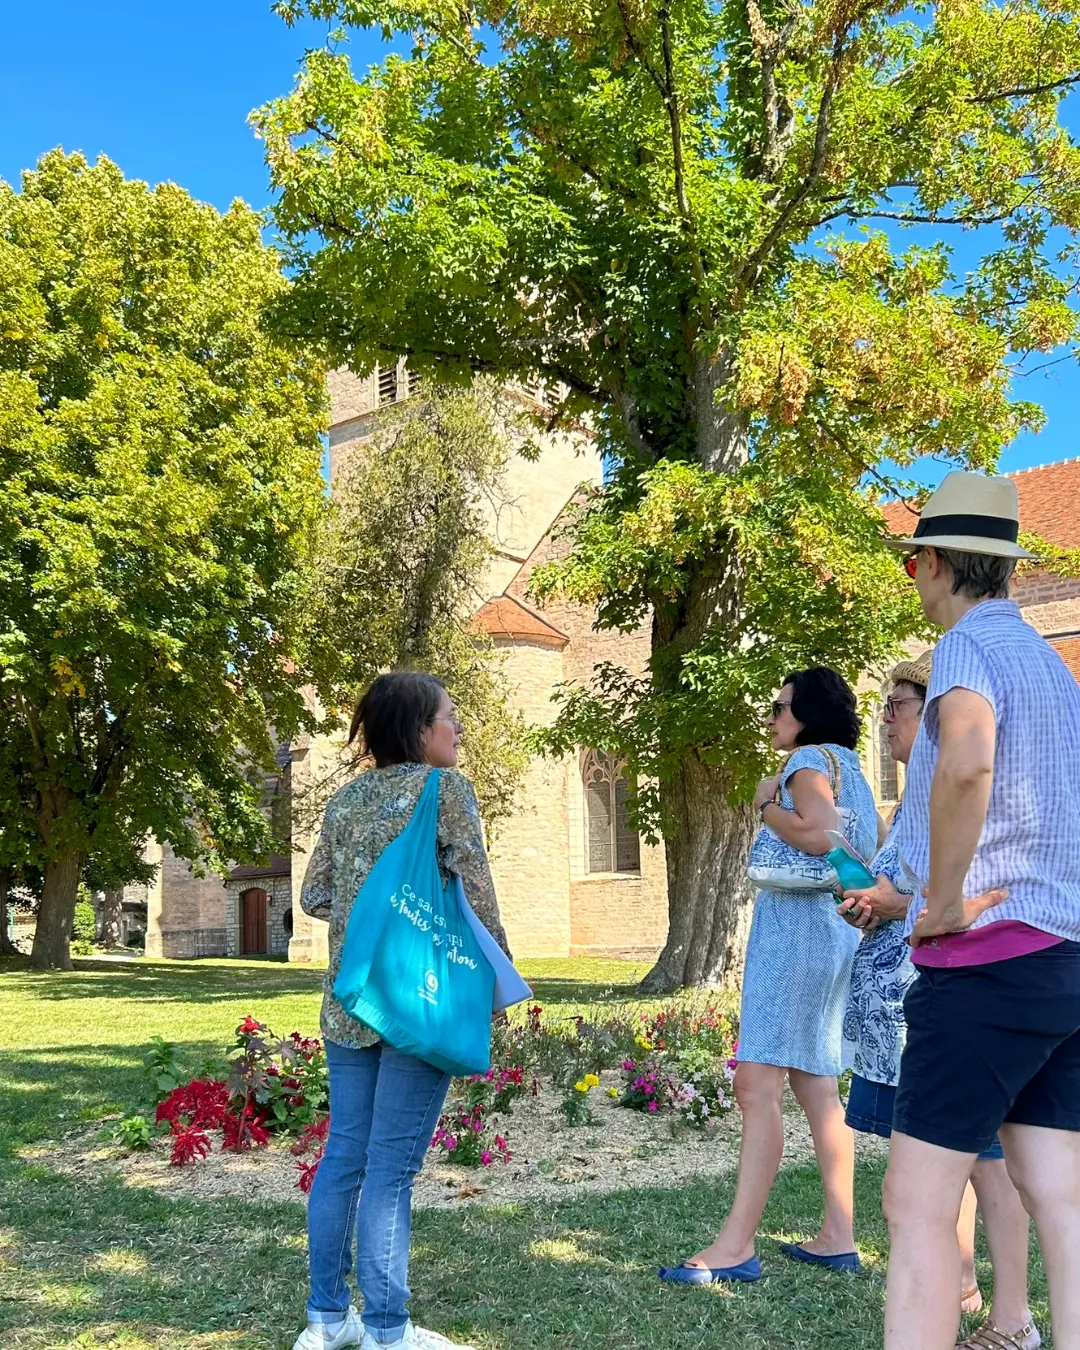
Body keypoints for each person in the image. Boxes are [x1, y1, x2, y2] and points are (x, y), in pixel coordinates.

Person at [879, 472, 1080, 1350]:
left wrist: (946, 902)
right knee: (1058, 1192)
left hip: (985, 964)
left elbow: (966, 764)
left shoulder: (964, 652)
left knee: (916, 1203)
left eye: (912, 565)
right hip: (1063, 959)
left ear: (930, 565)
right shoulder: (1051, 665)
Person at [293, 672, 509, 1350]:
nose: (458, 728)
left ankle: (327, 1320)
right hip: (420, 1000)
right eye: (450, 717)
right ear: (421, 730)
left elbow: (314, 895)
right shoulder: (447, 791)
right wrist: (495, 979)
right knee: (392, 1168)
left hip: (350, 1001)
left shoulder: (346, 800)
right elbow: (476, 889)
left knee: (344, 1159)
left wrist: (374, 914)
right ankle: (388, 1330)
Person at [840, 652, 1040, 1350]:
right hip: (911, 1008)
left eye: (897, 704)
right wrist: (876, 903)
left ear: (937, 713)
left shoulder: (965, 786)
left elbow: (966, 889)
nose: (886, 717)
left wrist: (897, 901)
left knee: (987, 1161)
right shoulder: (914, 798)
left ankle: (1013, 1317)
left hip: (954, 994)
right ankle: (958, 1294)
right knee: (938, 1167)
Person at [661, 667, 877, 1284]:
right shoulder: (852, 766)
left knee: (756, 1084)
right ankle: (838, 1235)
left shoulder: (805, 760)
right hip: (834, 932)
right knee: (816, 1086)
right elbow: (866, 842)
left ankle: (735, 1247)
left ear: (807, 714)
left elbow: (822, 833)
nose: (773, 717)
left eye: (780, 707)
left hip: (795, 938)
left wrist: (765, 806)